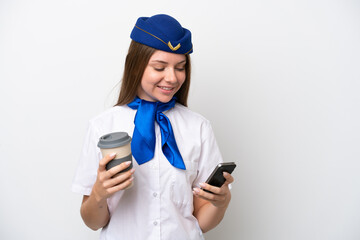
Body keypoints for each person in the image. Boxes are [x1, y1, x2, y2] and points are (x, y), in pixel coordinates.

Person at [72, 14, 234, 240]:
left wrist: (221, 203)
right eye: (159, 67)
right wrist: (99, 193)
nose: (172, 78)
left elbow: (201, 222)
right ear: (136, 66)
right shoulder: (102, 127)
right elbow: (93, 222)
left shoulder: (198, 128)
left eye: (180, 67)